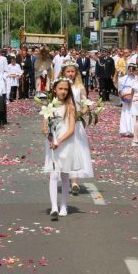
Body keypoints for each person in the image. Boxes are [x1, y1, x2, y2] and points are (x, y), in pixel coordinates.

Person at [41, 77, 81, 221]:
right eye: (60, 88)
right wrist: (49, 136)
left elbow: (71, 129)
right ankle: (54, 207)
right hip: (53, 144)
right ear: (55, 90)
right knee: (53, 174)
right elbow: (44, 127)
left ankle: (64, 205)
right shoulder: (49, 107)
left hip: (66, 144)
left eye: (65, 89)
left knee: (64, 175)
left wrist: (59, 140)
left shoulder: (70, 107)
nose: (63, 91)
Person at [59, 62, 94, 196]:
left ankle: (74, 181)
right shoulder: (61, 86)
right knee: (64, 150)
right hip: (62, 121)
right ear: (63, 72)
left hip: (76, 123)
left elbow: (86, 104)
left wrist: (81, 112)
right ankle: (65, 178)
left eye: (73, 71)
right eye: (68, 71)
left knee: (76, 150)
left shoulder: (80, 87)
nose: (70, 74)